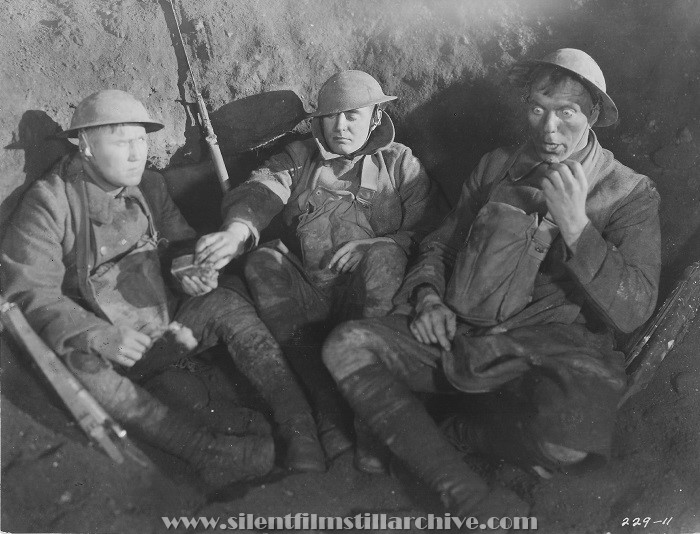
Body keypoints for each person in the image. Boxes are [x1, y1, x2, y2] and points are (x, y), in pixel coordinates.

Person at [322, 49, 661, 520]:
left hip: (553, 349)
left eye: (568, 112)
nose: (549, 128)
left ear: (595, 115)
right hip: (465, 334)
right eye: (538, 108)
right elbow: (440, 245)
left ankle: (470, 431)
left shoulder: (629, 192)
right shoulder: (495, 166)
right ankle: (464, 494)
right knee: (346, 346)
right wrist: (429, 298)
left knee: (568, 446)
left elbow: (636, 307)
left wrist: (579, 229)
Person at [0, 89, 327, 486]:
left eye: (141, 140)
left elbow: (178, 244)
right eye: (122, 143)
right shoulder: (49, 204)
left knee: (225, 301)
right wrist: (99, 337)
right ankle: (201, 451)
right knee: (78, 364)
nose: (137, 153)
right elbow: (30, 294)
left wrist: (189, 271)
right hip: (113, 346)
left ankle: (300, 430)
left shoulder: (149, 186)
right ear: (85, 146)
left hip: (166, 322)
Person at [195, 70, 440, 461]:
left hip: (373, 301)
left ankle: (373, 431)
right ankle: (325, 409)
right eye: (330, 116)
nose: (340, 126)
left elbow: (433, 232)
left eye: (352, 116)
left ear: (376, 117)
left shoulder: (400, 163)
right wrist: (236, 230)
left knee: (385, 257)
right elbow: (261, 189)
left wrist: (381, 243)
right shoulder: (298, 158)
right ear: (317, 120)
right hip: (310, 297)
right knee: (262, 262)